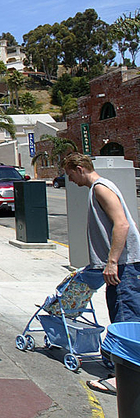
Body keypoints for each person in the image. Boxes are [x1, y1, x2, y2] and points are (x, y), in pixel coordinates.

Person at [61, 153, 140, 396]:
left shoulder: (101, 188)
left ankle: (124, 379)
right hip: (123, 265)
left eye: (70, 174)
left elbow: (122, 224)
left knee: (125, 319)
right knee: (124, 314)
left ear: (79, 168)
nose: (70, 180)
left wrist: (112, 262)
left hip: (124, 266)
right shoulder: (98, 188)